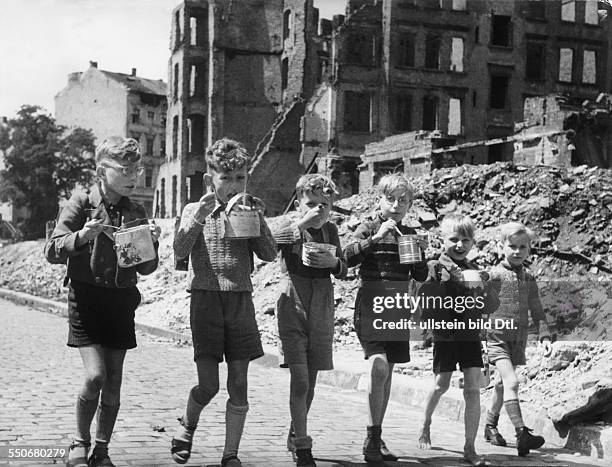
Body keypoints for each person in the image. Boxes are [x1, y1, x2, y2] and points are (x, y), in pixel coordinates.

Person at [45, 136, 161, 467]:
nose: (133, 177)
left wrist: (151, 244)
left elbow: (147, 268)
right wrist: (83, 236)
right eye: (125, 170)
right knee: (95, 376)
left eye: (136, 169)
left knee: (113, 380)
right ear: (101, 170)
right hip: (86, 298)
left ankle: (102, 451)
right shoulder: (81, 202)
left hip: (121, 301)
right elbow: (52, 249)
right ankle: (79, 442)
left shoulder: (136, 209)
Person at [171, 138, 276, 467]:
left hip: (240, 302)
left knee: (240, 383)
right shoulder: (194, 210)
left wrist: (258, 222)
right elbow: (178, 251)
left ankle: (230, 454)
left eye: (240, 178)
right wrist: (200, 215)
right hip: (205, 301)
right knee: (208, 385)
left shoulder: (249, 210)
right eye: (226, 179)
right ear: (209, 180)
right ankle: (187, 428)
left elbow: (270, 254)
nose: (234, 186)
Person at [344, 173, 428, 463]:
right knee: (378, 366)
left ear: (409, 205)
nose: (396, 205)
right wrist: (376, 238)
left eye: (403, 201)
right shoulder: (367, 227)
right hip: (370, 303)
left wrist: (419, 255)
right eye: (390, 199)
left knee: (388, 372)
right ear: (379, 199)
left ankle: (376, 436)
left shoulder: (408, 234)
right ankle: (371, 437)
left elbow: (420, 275)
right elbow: (347, 258)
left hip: (396, 307)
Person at [273, 174, 347, 466]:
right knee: (300, 380)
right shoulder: (291, 226)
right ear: (299, 202)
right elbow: (272, 243)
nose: (318, 210)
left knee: (312, 382)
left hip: (322, 306)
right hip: (293, 302)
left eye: (324, 204)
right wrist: (303, 223)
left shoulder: (331, 230)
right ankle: (303, 447)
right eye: (311, 203)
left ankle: (295, 432)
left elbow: (343, 269)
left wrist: (335, 264)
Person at [417, 214, 498, 466]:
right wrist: (446, 281)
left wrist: (486, 288)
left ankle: (469, 447)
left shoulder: (474, 270)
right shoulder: (435, 267)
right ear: (443, 240)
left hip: (470, 335)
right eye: (454, 239)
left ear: (473, 243)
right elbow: (423, 297)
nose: (460, 245)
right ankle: (425, 423)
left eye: (465, 240)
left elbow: (490, 306)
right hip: (446, 334)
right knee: (441, 385)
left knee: (473, 389)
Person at [484, 222, 552, 457]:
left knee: (502, 385)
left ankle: (490, 426)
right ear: (501, 246)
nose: (517, 251)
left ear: (529, 249)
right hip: (496, 339)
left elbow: (537, 309)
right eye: (512, 246)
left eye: (522, 247)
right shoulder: (493, 275)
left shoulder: (529, 278)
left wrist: (544, 334)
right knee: (512, 382)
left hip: (518, 340)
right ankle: (522, 433)